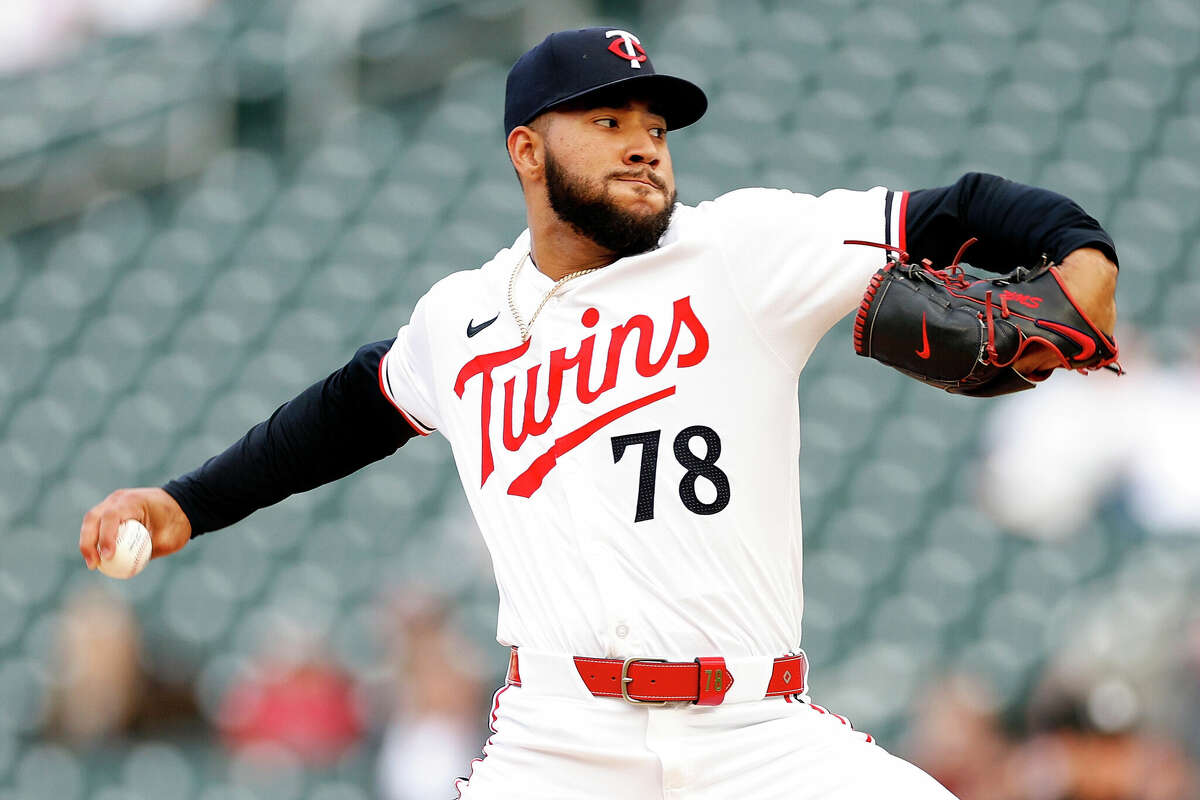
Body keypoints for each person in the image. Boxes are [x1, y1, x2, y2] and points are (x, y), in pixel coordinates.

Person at [79, 27, 1118, 799]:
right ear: (527, 151)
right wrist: (181, 504)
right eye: (608, 119)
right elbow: (344, 411)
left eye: (655, 125)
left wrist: (1083, 255)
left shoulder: (743, 249)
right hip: (558, 740)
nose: (644, 145)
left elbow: (963, 203)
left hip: (753, 730)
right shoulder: (464, 319)